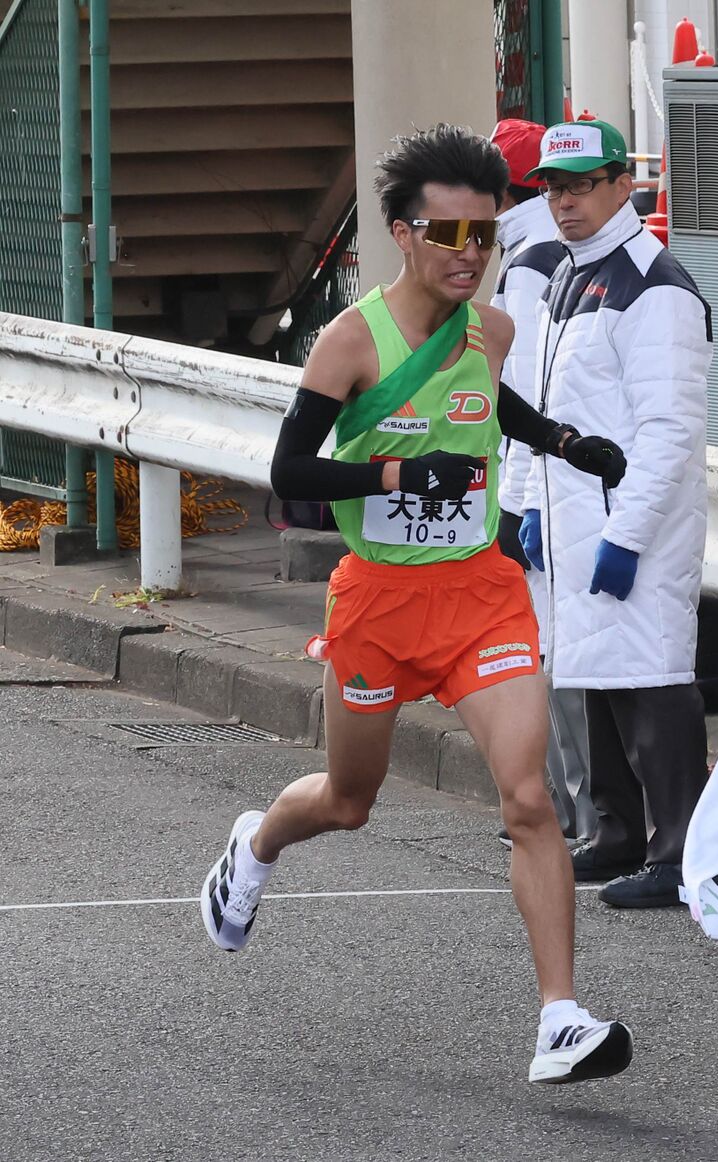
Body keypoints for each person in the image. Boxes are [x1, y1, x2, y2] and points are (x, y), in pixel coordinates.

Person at [200, 123, 634, 1086]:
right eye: (446, 236)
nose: (467, 255)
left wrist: (565, 442)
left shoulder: (495, 329)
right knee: (349, 804)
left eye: (482, 235)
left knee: (529, 800)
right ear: (402, 233)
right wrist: (403, 468)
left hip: (480, 593)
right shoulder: (351, 341)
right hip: (380, 603)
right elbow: (290, 478)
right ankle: (257, 842)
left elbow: (490, 403)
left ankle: (560, 1018)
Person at [517, 119, 712, 909]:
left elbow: (671, 431)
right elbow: (543, 412)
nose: (564, 201)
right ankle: (617, 835)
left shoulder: (653, 283)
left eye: (582, 185)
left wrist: (627, 535)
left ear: (622, 185)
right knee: (594, 673)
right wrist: (531, 504)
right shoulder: (571, 272)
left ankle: (678, 851)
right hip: (575, 515)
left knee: (653, 681)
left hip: (633, 521)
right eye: (553, 188)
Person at [489, 118, 595, 847]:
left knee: (552, 648)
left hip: (542, 479)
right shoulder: (543, 250)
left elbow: (523, 388)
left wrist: (515, 497)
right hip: (560, 475)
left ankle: (566, 811)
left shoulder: (528, 260)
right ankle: (570, 810)